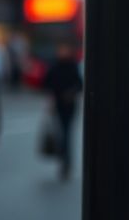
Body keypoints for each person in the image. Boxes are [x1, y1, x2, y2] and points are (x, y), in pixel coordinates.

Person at [42, 42, 83, 181]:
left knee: (67, 133)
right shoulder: (54, 66)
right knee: (62, 133)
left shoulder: (73, 66)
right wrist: (51, 99)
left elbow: (80, 84)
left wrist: (71, 93)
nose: (62, 52)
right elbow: (47, 83)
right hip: (58, 105)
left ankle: (66, 161)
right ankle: (64, 159)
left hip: (70, 105)